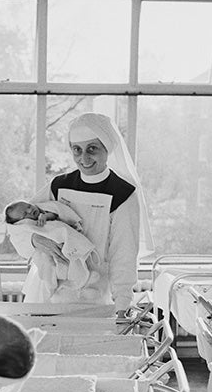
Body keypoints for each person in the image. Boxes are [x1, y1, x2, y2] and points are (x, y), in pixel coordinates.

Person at [19, 112, 153, 315]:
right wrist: (35, 240)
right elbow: (17, 223)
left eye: (92, 149)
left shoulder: (123, 194)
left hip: (94, 299)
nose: (84, 158)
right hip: (48, 295)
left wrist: (123, 307)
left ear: (107, 148)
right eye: (77, 150)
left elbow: (123, 256)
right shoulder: (59, 185)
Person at [5, 199, 100, 295]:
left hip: (60, 241)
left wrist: (45, 216)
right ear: (20, 221)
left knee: (72, 258)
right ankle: (53, 284)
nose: (30, 210)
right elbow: (16, 234)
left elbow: (56, 213)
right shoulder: (23, 226)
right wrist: (34, 238)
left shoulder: (42, 212)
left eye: (29, 206)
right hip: (42, 251)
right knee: (47, 264)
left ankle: (82, 280)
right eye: (25, 214)